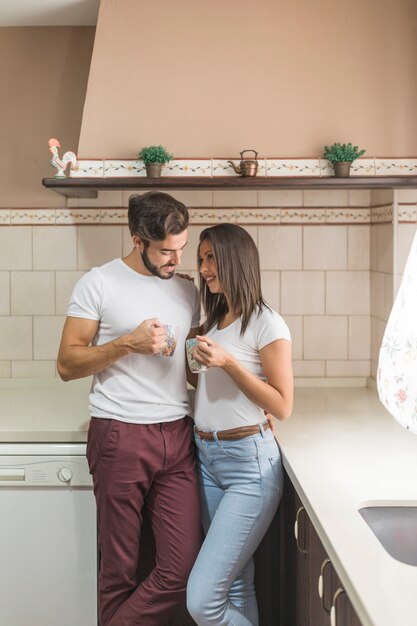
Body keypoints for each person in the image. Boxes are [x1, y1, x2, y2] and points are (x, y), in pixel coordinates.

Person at [57, 191, 202, 626]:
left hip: (177, 435)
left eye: (182, 248)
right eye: (165, 251)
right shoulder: (98, 283)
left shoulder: (187, 289)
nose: (176, 259)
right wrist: (126, 344)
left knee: (181, 569)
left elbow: (192, 366)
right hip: (119, 435)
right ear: (138, 240)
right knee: (119, 570)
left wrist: (247, 404)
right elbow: (67, 363)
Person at [186, 224, 293, 626]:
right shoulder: (217, 320)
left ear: (235, 259)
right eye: (201, 259)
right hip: (208, 457)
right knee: (234, 586)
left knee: (201, 601)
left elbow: (282, 405)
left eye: (211, 257)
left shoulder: (267, 323)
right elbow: (203, 386)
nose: (203, 268)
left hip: (249, 466)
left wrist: (229, 363)